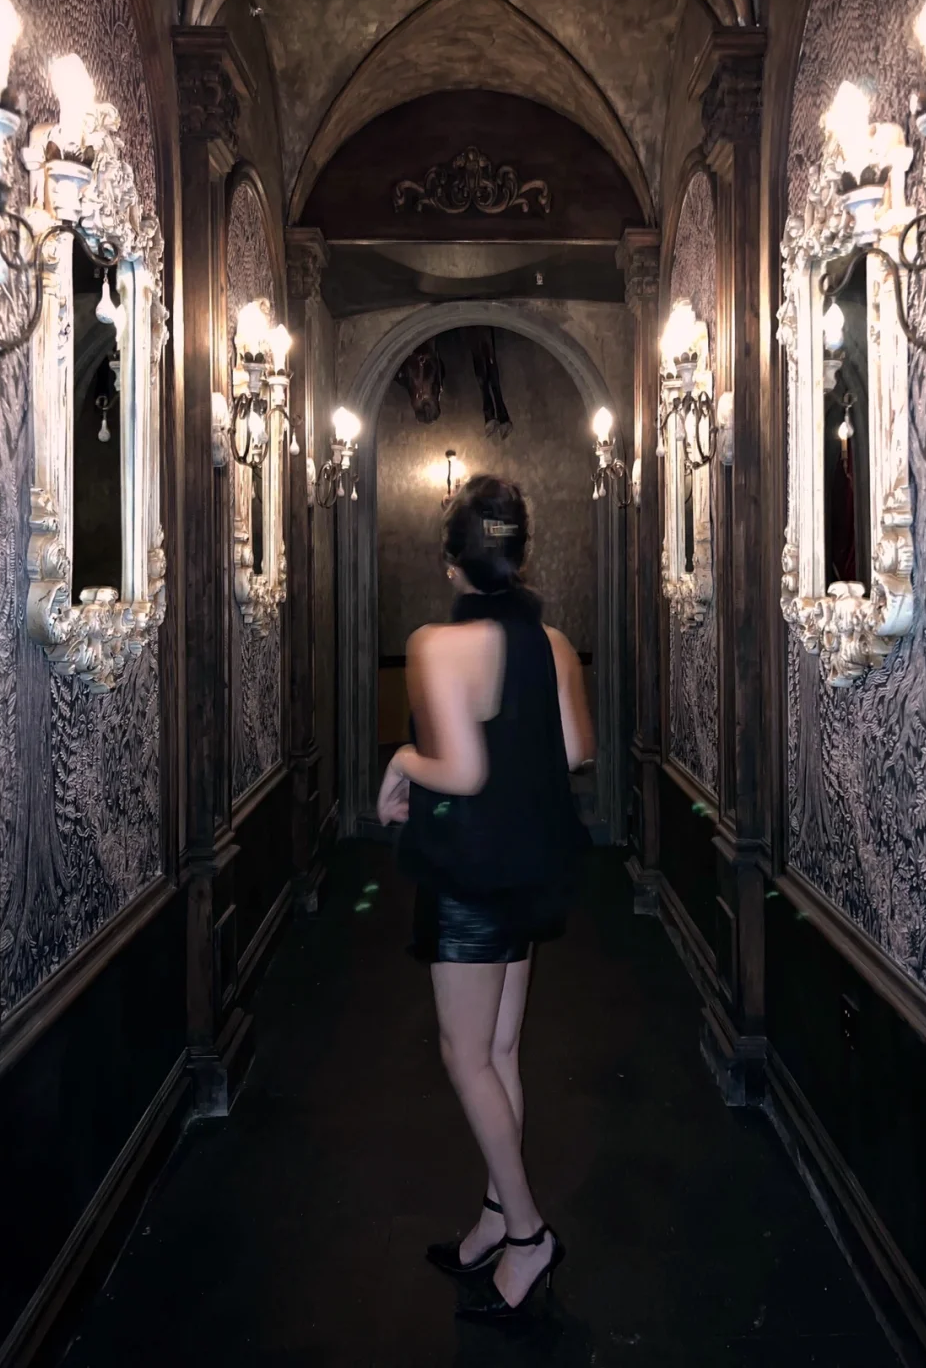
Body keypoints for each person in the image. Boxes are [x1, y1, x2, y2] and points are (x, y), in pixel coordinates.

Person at [377, 474, 595, 1319]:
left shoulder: (436, 644)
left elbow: (460, 771)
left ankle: (529, 1234)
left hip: (469, 874)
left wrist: (402, 761)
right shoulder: (554, 641)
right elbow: (574, 750)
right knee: (500, 1052)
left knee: (466, 1057)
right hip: (530, 869)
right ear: (519, 556)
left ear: (452, 561)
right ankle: (498, 1215)